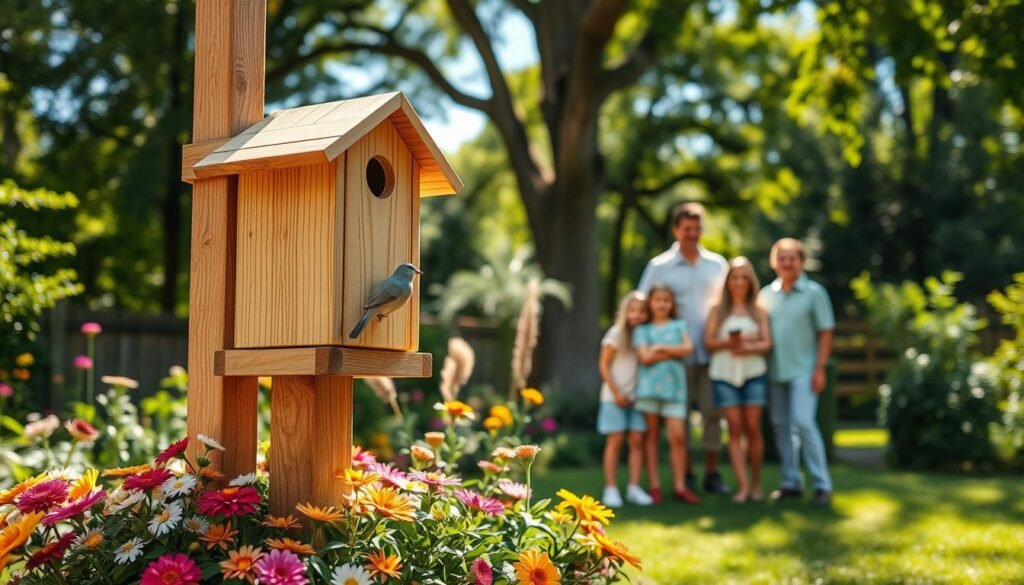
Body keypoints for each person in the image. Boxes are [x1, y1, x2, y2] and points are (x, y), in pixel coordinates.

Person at [638, 202, 730, 494]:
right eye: (686, 228)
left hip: (713, 352)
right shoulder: (659, 267)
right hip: (673, 359)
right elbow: (643, 305)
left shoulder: (717, 264)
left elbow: (729, 304)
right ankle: (686, 473)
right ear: (676, 229)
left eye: (697, 228)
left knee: (712, 413)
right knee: (680, 419)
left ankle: (712, 473)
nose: (692, 234)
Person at [759, 238, 835, 506]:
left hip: (805, 369)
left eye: (792, 258)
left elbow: (825, 333)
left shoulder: (815, 293)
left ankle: (822, 485)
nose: (787, 263)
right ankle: (790, 482)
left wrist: (820, 369)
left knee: (803, 423)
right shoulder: (766, 294)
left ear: (801, 262)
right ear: (774, 262)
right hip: (774, 371)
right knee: (780, 427)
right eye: (782, 258)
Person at [705, 257, 771, 503]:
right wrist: (729, 344)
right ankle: (742, 486)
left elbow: (768, 343)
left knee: (753, 429)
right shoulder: (717, 310)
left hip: (753, 373)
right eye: (735, 277)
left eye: (744, 277)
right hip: (724, 374)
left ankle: (756, 484)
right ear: (728, 281)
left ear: (750, 281)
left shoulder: (759, 310)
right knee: (734, 430)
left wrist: (749, 346)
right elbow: (709, 342)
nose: (740, 282)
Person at [632, 284, 700, 504]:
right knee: (651, 438)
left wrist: (659, 348)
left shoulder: (679, 326)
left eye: (666, 300)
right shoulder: (642, 330)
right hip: (649, 390)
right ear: (650, 303)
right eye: (658, 300)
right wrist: (673, 352)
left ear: (672, 304)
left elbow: (688, 349)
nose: (662, 304)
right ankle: (654, 486)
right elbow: (645, 358)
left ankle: (680, 486)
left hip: (675, 391)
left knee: (678, 437)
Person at [597, 291, 655, 508]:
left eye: (641, 311)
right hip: (614, 397)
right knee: (615, 441)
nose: (637, 315)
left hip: (637, 398)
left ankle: (634, 487)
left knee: (637, 441)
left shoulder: (646, 336)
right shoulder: (615, 334)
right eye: (633, 311)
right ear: (625, 312)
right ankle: (610, 488)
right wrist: (618, 393)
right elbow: (604, 365)